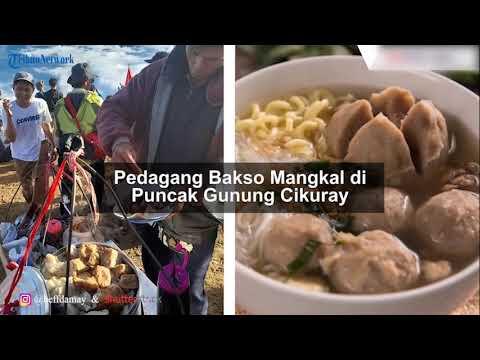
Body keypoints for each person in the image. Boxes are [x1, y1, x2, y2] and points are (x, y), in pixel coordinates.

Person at [97, 45, 223, 315]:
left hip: (196, 215)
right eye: (195, 53)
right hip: (149, 204)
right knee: (157, 269)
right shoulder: (157, 74)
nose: (199, 66)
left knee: (188, 287)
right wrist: (118, 140)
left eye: (213, 58)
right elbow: (113, 107)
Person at [54, 63, 105, 216]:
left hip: (68, 153)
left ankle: (66, 215)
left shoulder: (59, 105)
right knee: (97, 180)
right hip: (92, 152)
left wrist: (61, 150)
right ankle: (95, 211)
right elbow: (104, 129)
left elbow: (57, 135)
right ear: (87, 82)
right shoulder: (96, 101)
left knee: (67, 183)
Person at [2, 72, 55, 204]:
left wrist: (54, 145)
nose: (23, 93)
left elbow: (47, 126)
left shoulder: (40, 104)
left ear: (33, 90)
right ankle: (32, 206)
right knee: (26, 187)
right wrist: (9, 116)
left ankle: (41, 209)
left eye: (27, 89)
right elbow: (11, 138)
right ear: (13, 89)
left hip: (41, 149)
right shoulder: (7, 107)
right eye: (19, 89)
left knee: (42, 184)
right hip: (20, 155)